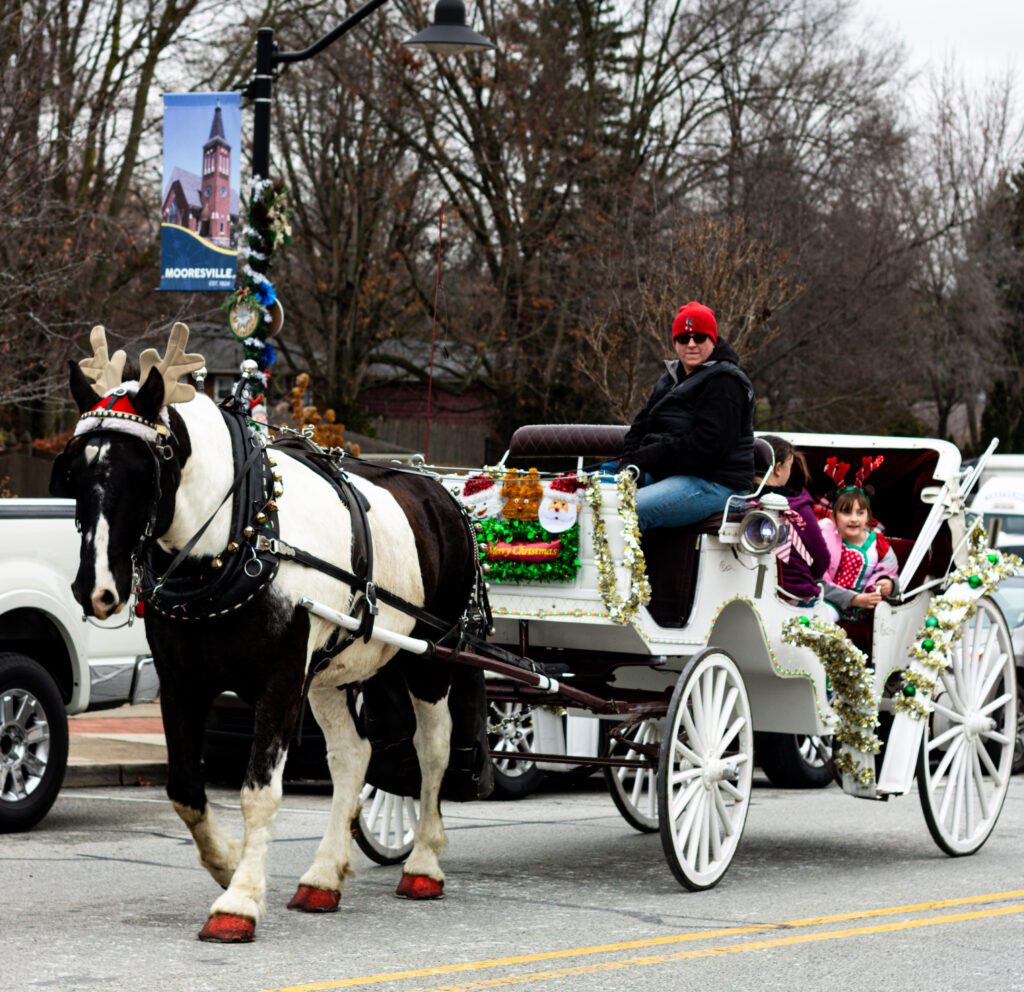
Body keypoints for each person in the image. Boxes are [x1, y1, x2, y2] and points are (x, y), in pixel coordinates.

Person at [622, 301, 755, 530]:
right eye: (683, 339)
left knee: (626, 510)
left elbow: (709, 445)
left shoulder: (725, 382)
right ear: (675, 343)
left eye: (700, 337)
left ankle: (637, 567)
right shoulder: (671, 378)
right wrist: (628, 461)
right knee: (595, 497)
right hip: (674, 472)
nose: (691, 345)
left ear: (713, 340)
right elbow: (641, 425)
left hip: (717, 482)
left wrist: (651, 455)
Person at [754, 435, 830, 606]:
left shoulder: (737, 500)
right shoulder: (796, 505)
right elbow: (820, 558)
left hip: (745, 589)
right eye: (789, 467)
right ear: (779, 469)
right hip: (792, 594)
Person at [820, 487, 899, 621]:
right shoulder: (825, 538)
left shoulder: (880, 546)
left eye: (860, 513)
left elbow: (890, 573)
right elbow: (818, 580)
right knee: (823, 616)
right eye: (846, 513)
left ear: (868, 516)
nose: (854, 519)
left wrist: (889, 584)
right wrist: (853, 599)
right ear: (833, 517)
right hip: (827, 599)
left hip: (863, 607)